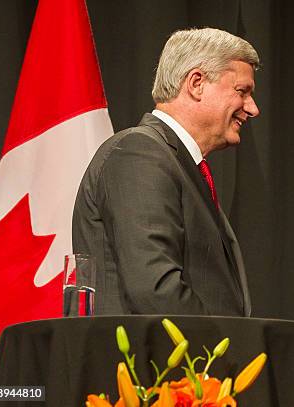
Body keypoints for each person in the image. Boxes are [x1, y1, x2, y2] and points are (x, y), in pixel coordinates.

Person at [72, 28, 259, 316]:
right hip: (151, 359)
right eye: (242, 92)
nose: (252, 108)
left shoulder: (179, 164)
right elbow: (154, 289)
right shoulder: (140, 152)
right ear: (196, 83)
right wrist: (224, 349)